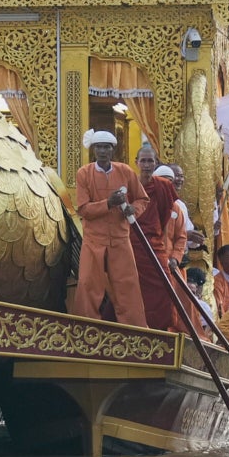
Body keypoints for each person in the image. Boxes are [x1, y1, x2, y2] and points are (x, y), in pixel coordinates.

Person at [68, 129, 149, 327]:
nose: (102, 151)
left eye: (106, 147)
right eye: (99, 147)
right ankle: (85, 330)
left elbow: (142, 199)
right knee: (88, 284)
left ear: (113, 150)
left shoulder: (125, 171)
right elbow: (84, 209)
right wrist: (108, 203)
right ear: (93, 150)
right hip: (94, 239)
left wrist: (133, 209)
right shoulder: (84, 173)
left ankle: (135, 332)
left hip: (120, 239)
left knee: (127, 286)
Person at [128, 141, 178, 328]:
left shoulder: (163, 186)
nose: (147, 165)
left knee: (164, 284)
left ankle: (161, 326)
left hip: (154, 242)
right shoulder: (130, 185)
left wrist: (154, 231)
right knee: (133, 286)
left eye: (151, 161)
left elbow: (165, 213)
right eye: (144, 161)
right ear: (137, 162)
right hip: (133, 242)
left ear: (156, 163)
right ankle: (136, 324)